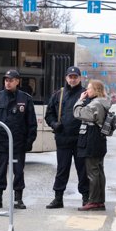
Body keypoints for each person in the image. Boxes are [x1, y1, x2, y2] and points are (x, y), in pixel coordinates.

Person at [0, 69, 37, 209]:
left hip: (18, 143)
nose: (8, 82)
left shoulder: (25, 99)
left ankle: (18, 199)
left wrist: (29, 141)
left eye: (11, 80)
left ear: (17, 81)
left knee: (18, 171)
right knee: (0, 171)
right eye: (6, 80)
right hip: (0, 142)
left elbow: (31, 122)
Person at [44, 66, 89, 208]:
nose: (73, 79)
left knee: (83, 170)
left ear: (80, 78)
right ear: (66, 78)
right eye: (70, 77)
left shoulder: (86, 94)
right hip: (63, 138)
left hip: (81, 139)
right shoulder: (59, 94)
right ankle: (58, 198)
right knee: (62, 169)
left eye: (75, 77)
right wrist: (54, 124)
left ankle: (86, 198)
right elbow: (49, 114)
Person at [73, 79, 111, 211]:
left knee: (93, 172)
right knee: (99, 171)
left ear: (96, 90)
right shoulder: (103, 102)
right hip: (99, 140)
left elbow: (78, 113)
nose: (86, 91)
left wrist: (80, 100)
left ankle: (94, 201)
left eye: (89, 89)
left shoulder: (95, 104)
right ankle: (100, 201)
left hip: (92, 139)